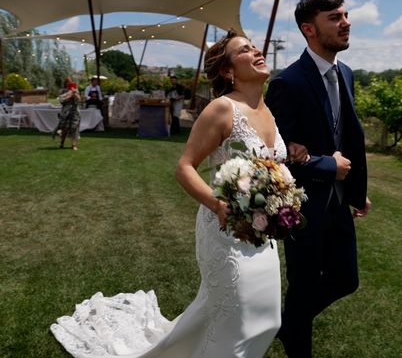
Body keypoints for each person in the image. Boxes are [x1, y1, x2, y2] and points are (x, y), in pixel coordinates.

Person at [51, 32, 298, 357]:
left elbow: (271, 166)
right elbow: (184, 167)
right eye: (245, 49)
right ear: (227, 71)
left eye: (254, 46)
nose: (256, 51)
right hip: (225, 230)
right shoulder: (222, 109)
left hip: (263, 235)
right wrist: (217, 204)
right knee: (238, 321)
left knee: (267, 320)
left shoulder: (268, 111)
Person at [265, 0, 371, 357]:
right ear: (309, 29)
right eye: (335, 18)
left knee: (346, 279)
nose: (346, 23)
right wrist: (329, 165)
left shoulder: (347, 74)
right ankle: (296, 341)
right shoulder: (287, 83)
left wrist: (357, 190)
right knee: (304, 286)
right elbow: (274, 157)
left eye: (345, 15)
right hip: (303, 207)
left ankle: (286, 323)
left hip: (339, 203)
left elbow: (348, 136)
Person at [54, 77, 81, 151]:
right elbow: (61, 100)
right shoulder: (62, 91)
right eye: (67, 82)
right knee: (64, 128)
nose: (69, 83)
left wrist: (74, 93)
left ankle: (73, 145)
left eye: (70, 81)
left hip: (75, 111)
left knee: (74, 128)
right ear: (65, 83)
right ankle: (62, 143)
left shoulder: (75, 89)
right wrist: (69, 96)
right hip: (65, 112)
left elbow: (79, 100)